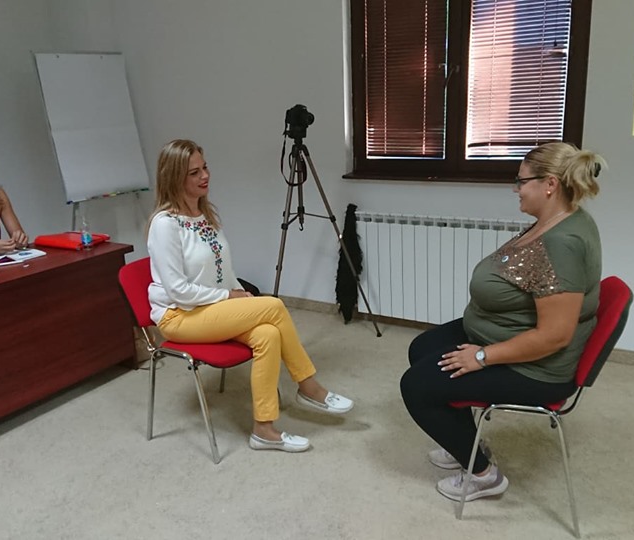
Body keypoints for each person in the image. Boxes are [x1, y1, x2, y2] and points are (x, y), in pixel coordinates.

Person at [400, 142, 607, 503]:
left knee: (416, 387)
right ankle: (466, 444)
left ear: (550, 184)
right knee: (421, 349)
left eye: (521, 181)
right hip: (502, 331)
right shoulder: (557, 220)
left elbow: (555, 335)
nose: (516, 189)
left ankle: (484, 476)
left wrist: (482, 357)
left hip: (539, 369)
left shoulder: (563, 243)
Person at [146, 139, 354, 453]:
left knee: (268, 334)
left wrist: (238, 293)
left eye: (205, 167)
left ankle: (263, 430)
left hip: (207, 310)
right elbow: (178, 291)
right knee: (273, 306)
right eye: (194, 172)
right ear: (174, 177)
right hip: (179, 316)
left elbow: (222, 269)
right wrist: (229, 298)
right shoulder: (165, 226)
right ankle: (308, 386)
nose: (205, 176)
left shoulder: (205, 214)